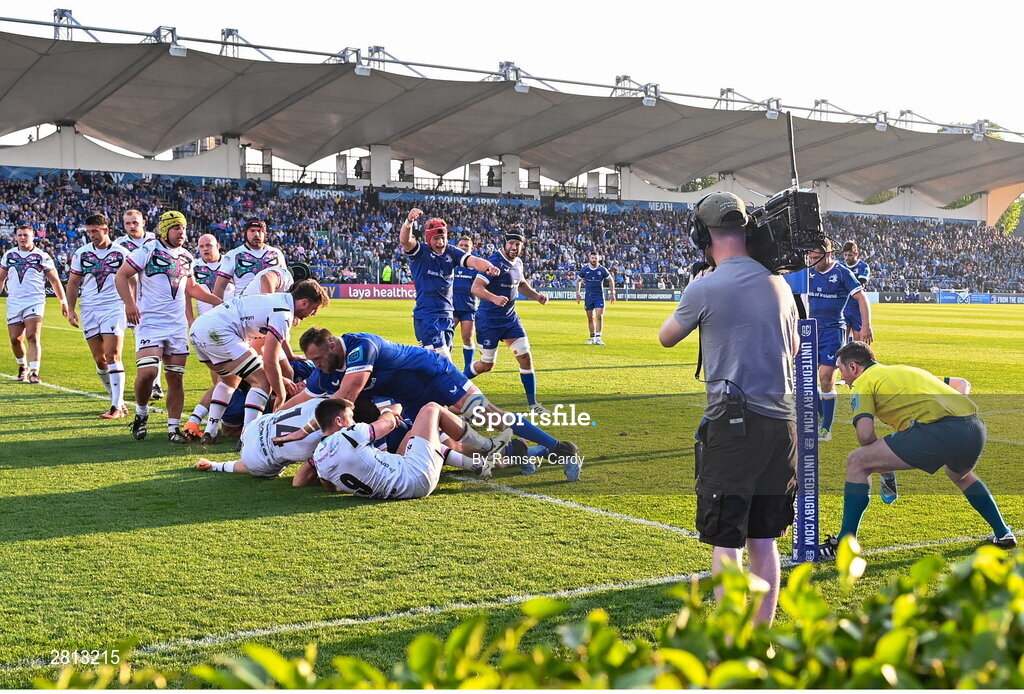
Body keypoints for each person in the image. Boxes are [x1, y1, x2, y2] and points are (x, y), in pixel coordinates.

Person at [658, 192, 798, 626]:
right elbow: (792, 348)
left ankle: (732, 638)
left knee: (726, 542)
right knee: (764, 542)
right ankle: (760, 637)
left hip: (736, 425)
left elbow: (666, 336)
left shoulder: (705, 286)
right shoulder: (780, 284)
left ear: (703, 234)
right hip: (783, 424)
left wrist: (696, 288)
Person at [273, 326, 581, 481]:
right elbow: (301, 398)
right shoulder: (325, 369)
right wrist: (268, 422)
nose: (317, 366)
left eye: (318, 358)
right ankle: (525, 453)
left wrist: (307, 432)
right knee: (455, 448)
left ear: (331, 345)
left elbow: (349, 395)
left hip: (434, 373)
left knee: (487, 415)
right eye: (312, 362)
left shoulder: (359, 346)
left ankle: (559, 448)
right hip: (412, 399)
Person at [817, 342, 1016, 557]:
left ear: (854, 367)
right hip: (974, 426)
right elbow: (961, 383)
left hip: (939, 431)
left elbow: (865, 435)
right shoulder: (905, 370)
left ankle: (844, 543)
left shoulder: (863, 383)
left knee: (857, 461)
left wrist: (883, 467)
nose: (841, 378)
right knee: (960, 475)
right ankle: (1003, 533)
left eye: (841, 369)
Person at [115, 210, 222, 442]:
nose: (181, 232)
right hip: (150, 322)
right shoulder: (147, 250)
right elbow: (121, 276)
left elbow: (192, 288)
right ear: (164, 230)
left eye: (183, 228)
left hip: (176, 325)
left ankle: (173, 428)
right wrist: (130, 304)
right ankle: (141, 414)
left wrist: (220, 302)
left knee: (175, 378)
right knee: (148, 373)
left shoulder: (186, 256)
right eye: (176, 228)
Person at [188, 279, 330, 443]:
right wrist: (280, 393)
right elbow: (270, 361)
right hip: (218, 332)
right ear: (304, 303)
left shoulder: (276, 300)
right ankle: (248, 438)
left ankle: (210, 433)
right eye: (314, 309)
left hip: (198, 330)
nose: (313, 314)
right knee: (263, 381)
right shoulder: (283, 313)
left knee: (229, 380)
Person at [291, 399, 503, 498]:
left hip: (397, 486)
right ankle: (485, 444)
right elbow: (388, 424)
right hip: (415, 478)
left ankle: (480, 466)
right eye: (350, 417)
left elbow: (330, 487)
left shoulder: (318, 456)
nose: (353, 421)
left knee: (420, 442)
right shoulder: (349, 434)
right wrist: (391, 410)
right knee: (431, 409)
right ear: (338, 421)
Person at [465, 227, 551, 414]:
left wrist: (536, 296)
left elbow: (520, 284)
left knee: (525, 357)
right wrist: (494, 298)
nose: (514, 247)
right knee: (487, 364)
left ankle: (533, 405)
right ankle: (456, 382)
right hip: (489, 321)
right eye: (511, 243)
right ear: (504, 244)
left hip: (510, 320)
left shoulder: (518, 263)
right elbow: (476, 288)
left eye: (518, 244)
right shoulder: (494, 263)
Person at [398, 208, 498, 360]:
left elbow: (473, 260)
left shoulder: (451, 252)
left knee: (437, 366)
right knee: (443, 360)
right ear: (428, 239)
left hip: (447, 316)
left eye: (443, 237)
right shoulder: (420, 252)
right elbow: (405, 241)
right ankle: (461, 383)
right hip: (427, 317)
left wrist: (489, 266)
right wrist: (409, 222)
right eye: (436, 238)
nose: (440, 242)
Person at [807, 240, 873, 443]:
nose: (812, 262)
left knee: (825, 377)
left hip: (833, 331)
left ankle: (826, 428)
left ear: (828, 254)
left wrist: (866, 325)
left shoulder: (842, 272)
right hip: (809, 330)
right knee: (808, 380)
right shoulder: (806, 272)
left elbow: (862, 298)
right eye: (810, 257)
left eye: (816, 258)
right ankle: (819, 416)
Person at [66, 215, 130, 416]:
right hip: (89, 309)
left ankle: (116, 406)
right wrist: (70, 308)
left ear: (106, 230)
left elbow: (134, 280)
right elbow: (74, 282)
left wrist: (132, 304)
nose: (92, 235)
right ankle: (116, 398)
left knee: (112, 355)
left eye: (96, 231)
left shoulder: (121, 253)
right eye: (89, 231)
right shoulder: (82, 253)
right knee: (99, 359)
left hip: (114, 307)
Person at [1, 225, 68, 384]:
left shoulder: (41, 256)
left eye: (26, 235)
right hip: (14, 301)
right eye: (20, 235)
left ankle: (34, 372)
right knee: (15, 339)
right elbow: (1, 278)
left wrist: (63, 301)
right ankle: (22, 366)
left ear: (33, 237)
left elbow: (54, 280)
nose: (22, 238)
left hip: (35, 300)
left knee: (32, 336)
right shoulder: (9, 255)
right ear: (16, 237)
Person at [195, 397, 326, 478]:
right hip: (258, 458)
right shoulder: (325, 443)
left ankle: (213, 465)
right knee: (258, 461)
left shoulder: (320, 401)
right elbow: (299, 481)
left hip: (256, 425)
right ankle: (215, 466)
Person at [114, 209, 163, 401]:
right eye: (127, 223)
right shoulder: (119, 244)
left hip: (156, 299)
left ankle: (156, 383)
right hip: (132, 300)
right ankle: (152, 381)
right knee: (141, 339)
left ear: (143, 222)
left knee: (157, 340)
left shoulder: (155, 240)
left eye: (135, 222)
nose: (132, 227)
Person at [212, 218, 287, 300]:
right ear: (246, 233)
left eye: (260, 231)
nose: (256, 234)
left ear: (265, 233)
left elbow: (285, 282)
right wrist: (217, 309)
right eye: (252, 231)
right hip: (244, 306)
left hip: (273, 304)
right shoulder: (233, 255)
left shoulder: (276, 253)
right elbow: (220, 287)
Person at [576, 251, 615, 345]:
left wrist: (612, 293)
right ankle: (592, 337)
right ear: (590, 258)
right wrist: (578, 292)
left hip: (599, 296)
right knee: (590, 318)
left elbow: (610, 280)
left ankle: (598, 337)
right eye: (592, 258)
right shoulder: (585, 269)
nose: (594, 260)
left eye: (596, 258)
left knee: (599, 316)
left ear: (599, 259)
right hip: (589, 296)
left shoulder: (602, 270)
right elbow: (578, 281)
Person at [452, 235, 479, 371]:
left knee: (467, 338)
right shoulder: (451, 265)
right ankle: (447, 367)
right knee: (446, 338)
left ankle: (468, 369)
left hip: (468, 308)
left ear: (471, 249)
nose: (463, 247)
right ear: (457, 246)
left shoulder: (475, 267)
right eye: (461, 245)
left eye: (466, 246)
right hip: (451, 308)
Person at [840, 241, 871, 343]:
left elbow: (860, 284)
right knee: (842, 342)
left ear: (856, 254)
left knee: (859, 342)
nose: (847, 257)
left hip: (857, 307)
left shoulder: (863, 266)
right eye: (845, 255)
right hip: (843, 307)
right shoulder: (840, 266)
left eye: (850, 255)